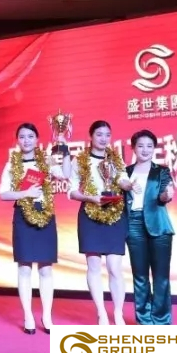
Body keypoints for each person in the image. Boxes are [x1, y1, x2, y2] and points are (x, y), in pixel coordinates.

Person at [0, 122, 69, 335]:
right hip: (23, 215)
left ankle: (47, 316)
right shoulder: (11, 165)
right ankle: (28, 315)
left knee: (46, 269)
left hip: (45, 214)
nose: (26, 140)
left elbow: (65, 174)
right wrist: (25, 194)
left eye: (30, 136)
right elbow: (3, 193)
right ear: (17, 140)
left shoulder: (46, 160)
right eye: (22, 137)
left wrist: (64, 149)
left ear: (37, 139)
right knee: (24, 268)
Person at [68, 121, 133, 325]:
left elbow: (122, 179)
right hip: (90, 215)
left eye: (107, 134)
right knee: (94, 265)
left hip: (114, 214)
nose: (104, 139)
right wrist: (91, 198)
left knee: (114, 267)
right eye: (99, 134)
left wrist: (128, 184)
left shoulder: (116, 159)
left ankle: (118, 312)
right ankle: (101, 312)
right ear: (91, 136)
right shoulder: (80, 160)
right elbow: (72, 191)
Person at [124, 129, 175, 325]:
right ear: (133, 148)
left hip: (159, 226)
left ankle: (161, 320)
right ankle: (144, 320)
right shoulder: (125, 172)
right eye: (140, 146)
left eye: (149, 146)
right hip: (133, 225)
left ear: (154, 148)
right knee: (140, 276)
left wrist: (166, 195)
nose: (145, 150)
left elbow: (163, 196)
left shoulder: (162, 171)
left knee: (161, 277)